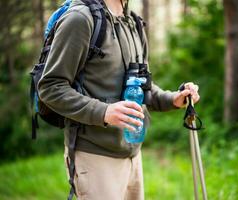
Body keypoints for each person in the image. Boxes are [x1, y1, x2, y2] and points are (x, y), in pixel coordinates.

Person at [38, 0, 200, 199]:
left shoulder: (133, 22)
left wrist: (174, 98)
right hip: (95, 156)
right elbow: (51, 87)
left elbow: (143, 86)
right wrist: (104, 112)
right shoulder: (80, 19)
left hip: (133, 155)